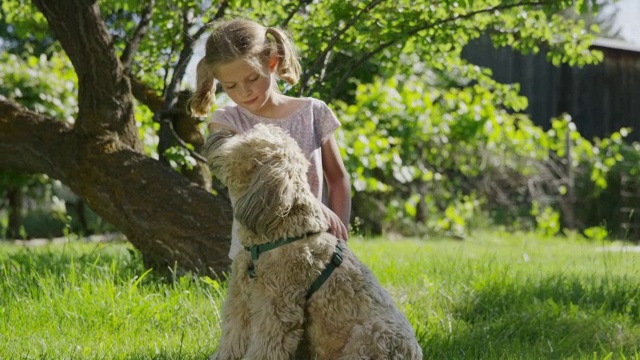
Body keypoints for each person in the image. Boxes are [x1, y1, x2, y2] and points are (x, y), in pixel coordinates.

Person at [190, 18, 351, 260]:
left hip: (316, 246)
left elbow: (337, 178)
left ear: (272, 62)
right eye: (231, 86)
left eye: (252, 78)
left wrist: (339, 237)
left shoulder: (313, 112)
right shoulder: (226, 122)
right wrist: (311, 204)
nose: (244, 92)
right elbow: (253, 182)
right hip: (259, 253)